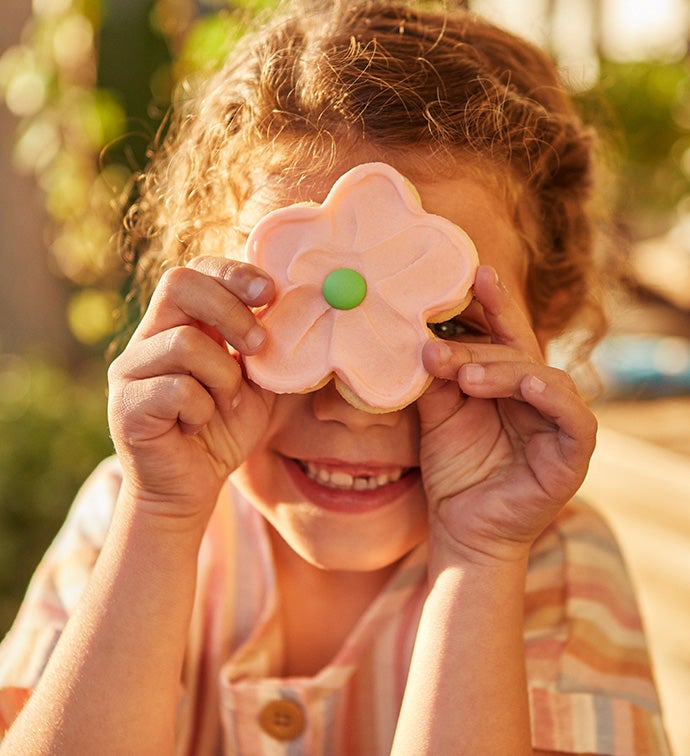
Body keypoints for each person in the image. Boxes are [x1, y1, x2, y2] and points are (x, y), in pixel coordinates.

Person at [0, 1, 671, 753]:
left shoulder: (554, 562)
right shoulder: (133, 511)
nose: (357, 407)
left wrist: (480, 560)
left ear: (547, 321)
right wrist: (158, 521)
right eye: (287, 312)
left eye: (447, 325)